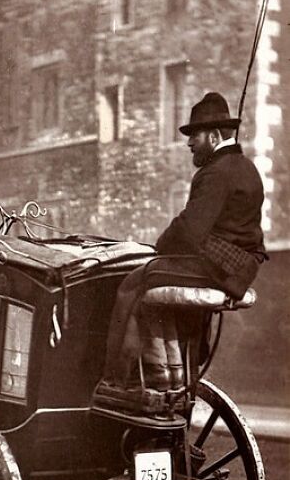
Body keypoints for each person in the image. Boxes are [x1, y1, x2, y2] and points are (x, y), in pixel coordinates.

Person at [93, 91, 266, 410]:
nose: (189, 144)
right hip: (239, 268)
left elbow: (190, 230)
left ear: (214, 137)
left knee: (135, 282)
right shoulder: (247, 169)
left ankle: (118, 380)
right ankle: (180, 372)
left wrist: (158, 249)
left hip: (219, 267)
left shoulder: (216, 173)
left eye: (194, 136)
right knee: (160, 284)